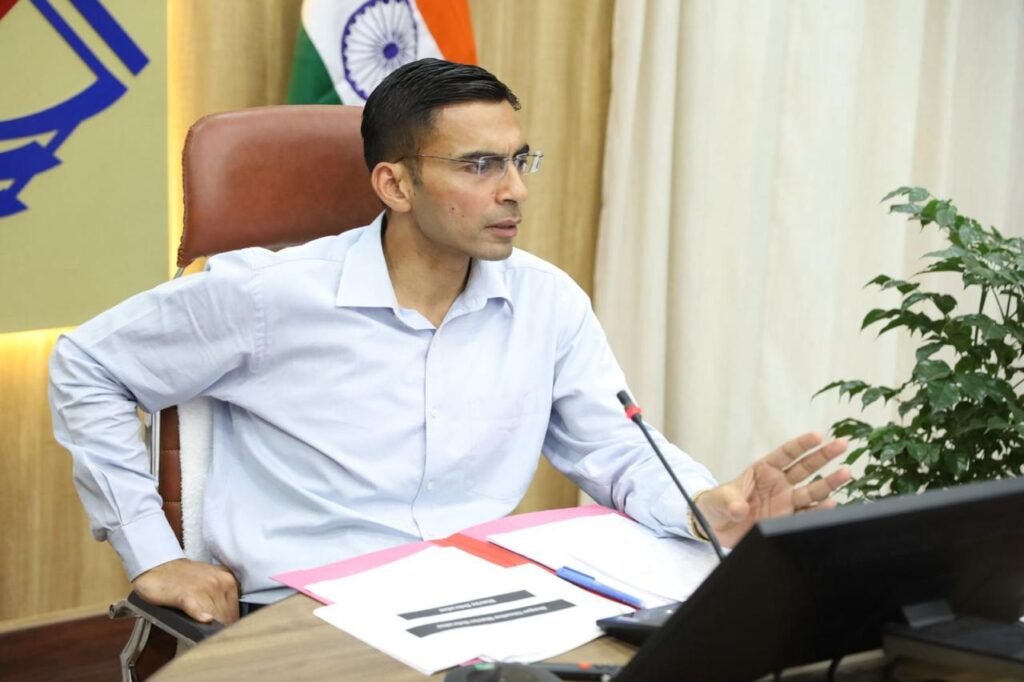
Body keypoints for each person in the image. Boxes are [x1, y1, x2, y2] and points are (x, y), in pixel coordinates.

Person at [49, 59, 850, 627]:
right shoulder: (270, 295)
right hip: (306, 612)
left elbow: (613, 446)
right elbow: (85, 365)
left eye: (519, 160)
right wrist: (152, 553)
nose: (516, 191)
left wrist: (706, 505)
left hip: (479, 603)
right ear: (396, 184)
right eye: (480, 166)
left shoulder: (546, 302)